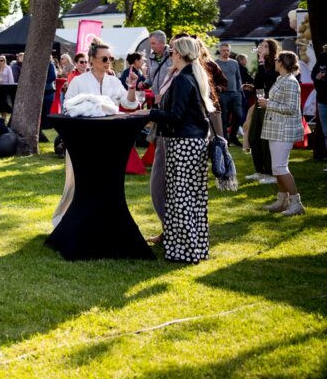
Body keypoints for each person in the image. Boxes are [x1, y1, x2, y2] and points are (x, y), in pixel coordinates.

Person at [53, 39, 141, 227]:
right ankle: (66, 221)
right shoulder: (79, 81)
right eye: (104, 58)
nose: (108, 62)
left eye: (111, 58)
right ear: (92, 60)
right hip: (82, 141)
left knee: (106, 183)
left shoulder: (114, 81)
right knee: (76, 184)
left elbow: (129, 104)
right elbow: (68, 106)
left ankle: (103, 222)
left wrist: (132, 87)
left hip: (109, 140)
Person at [145, 37, 215, 263]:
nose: (170, 55)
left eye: (173, 51)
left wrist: (150, 113)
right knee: (191, 198)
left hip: (184, 143)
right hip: (192, 142)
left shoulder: (183, 80)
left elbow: (176, 116)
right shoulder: (192, 75)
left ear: (179, 54)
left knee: (181, 198)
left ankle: (185, 251)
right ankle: (191, 248)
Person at [258, 51, 305, 215]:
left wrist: (268, 103)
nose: (275, 61)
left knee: (280, 167)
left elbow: (291, 108)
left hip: (284, 130)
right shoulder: (281, 79)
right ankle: (282, 201)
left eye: (277, 59)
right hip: (276, 129)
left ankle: (296, 203)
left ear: (283, 63)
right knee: (277, 167)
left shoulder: (290, 82)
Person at [244, 38, 279, 183]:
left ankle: (270, 173)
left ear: (271, 49)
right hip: (260, 102)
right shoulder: (262, 64)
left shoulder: (277, 63)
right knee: (254, 136)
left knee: (266, 139)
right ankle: (259, 171)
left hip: (270, 103)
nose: (262, 48)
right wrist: (251, 87)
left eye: (265, 46)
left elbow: (269, 80)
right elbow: (259, 83)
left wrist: (261, 62)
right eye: (261, 46)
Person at [215, 43, 244, 147]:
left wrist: (240, 92)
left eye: (227, 50)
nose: (226, 52)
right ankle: (225, 140)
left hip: (235, 93)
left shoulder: (234, 63)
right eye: (223, 50)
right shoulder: (216, 63)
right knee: (223, 118)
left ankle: (233, 137)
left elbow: (238, 78)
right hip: (222, 94)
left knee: (239, 115)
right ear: (220, 51)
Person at [147, 31, 174, 102]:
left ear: (163, 42)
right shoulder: (151, 57)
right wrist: (145, 83)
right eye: (150, 43)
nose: (151, 46)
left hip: (169, 98)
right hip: (156, 99)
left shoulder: (173, 54)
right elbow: (150, 77)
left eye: (153, 43)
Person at [314, 44, 327, 170]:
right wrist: (318, 77)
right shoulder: (322, 57)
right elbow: (314, 75)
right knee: (326, 132)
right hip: (323, 100)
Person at [0, 55, 16, 119]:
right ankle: (1, 118)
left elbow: (11, 79)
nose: (0, 62)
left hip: (6, 87)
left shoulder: (8, 68)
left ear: (4, 61)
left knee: (5, 104)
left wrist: (11, 88)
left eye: (1, 60)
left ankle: (4, 118)